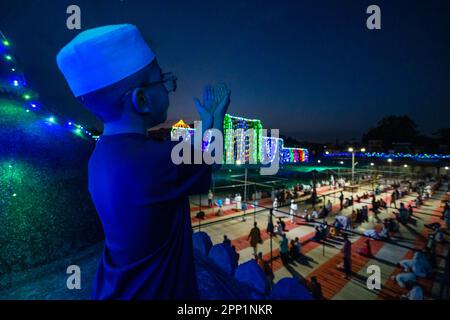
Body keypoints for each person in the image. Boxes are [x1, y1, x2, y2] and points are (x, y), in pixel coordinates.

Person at [56, 24, 230, 300]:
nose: (169, 88)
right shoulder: (159, 160)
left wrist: (206, 123)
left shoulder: (99, 156)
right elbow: (213, 159)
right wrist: (217, 118)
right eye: (162, 80)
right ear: (142, 99)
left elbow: (192, 156)